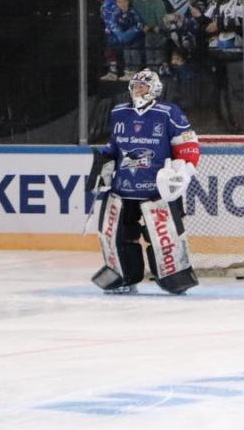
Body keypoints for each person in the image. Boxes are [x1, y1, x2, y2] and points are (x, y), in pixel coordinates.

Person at [85, 70, 201, 295]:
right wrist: (103, 167)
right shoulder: (119, 112)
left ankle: (173, 277)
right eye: (134, 86)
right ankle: (123, 276)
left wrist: (183, 171)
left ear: (154, 89)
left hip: (157, 191)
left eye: (142, 86)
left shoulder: (168, 112)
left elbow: (188, 145)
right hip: (124, 189)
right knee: (119, 236)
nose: (137, 90)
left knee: (162, 237)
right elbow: (114, 145)